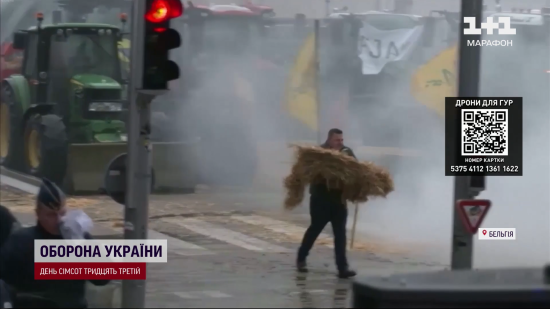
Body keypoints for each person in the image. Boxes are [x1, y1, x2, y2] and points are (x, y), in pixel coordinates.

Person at [0, 179, 110, 308]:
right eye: (51, 215)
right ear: (38, 214)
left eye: (62, 213)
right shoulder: (20, 241)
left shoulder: (78, 238)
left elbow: (103, 278)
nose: (59, 220)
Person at [297, 128, 358, 278]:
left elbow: (357, 169)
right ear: (330, 140)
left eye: (342, 140)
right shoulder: (319, 153)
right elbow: (309, 172)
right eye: (337, 140)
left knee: (340, 235)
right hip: (321, 200)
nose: (340, 143)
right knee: (315, 229)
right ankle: (301, 257)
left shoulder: (347, 152)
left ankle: (342, 268)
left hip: (339, 201)